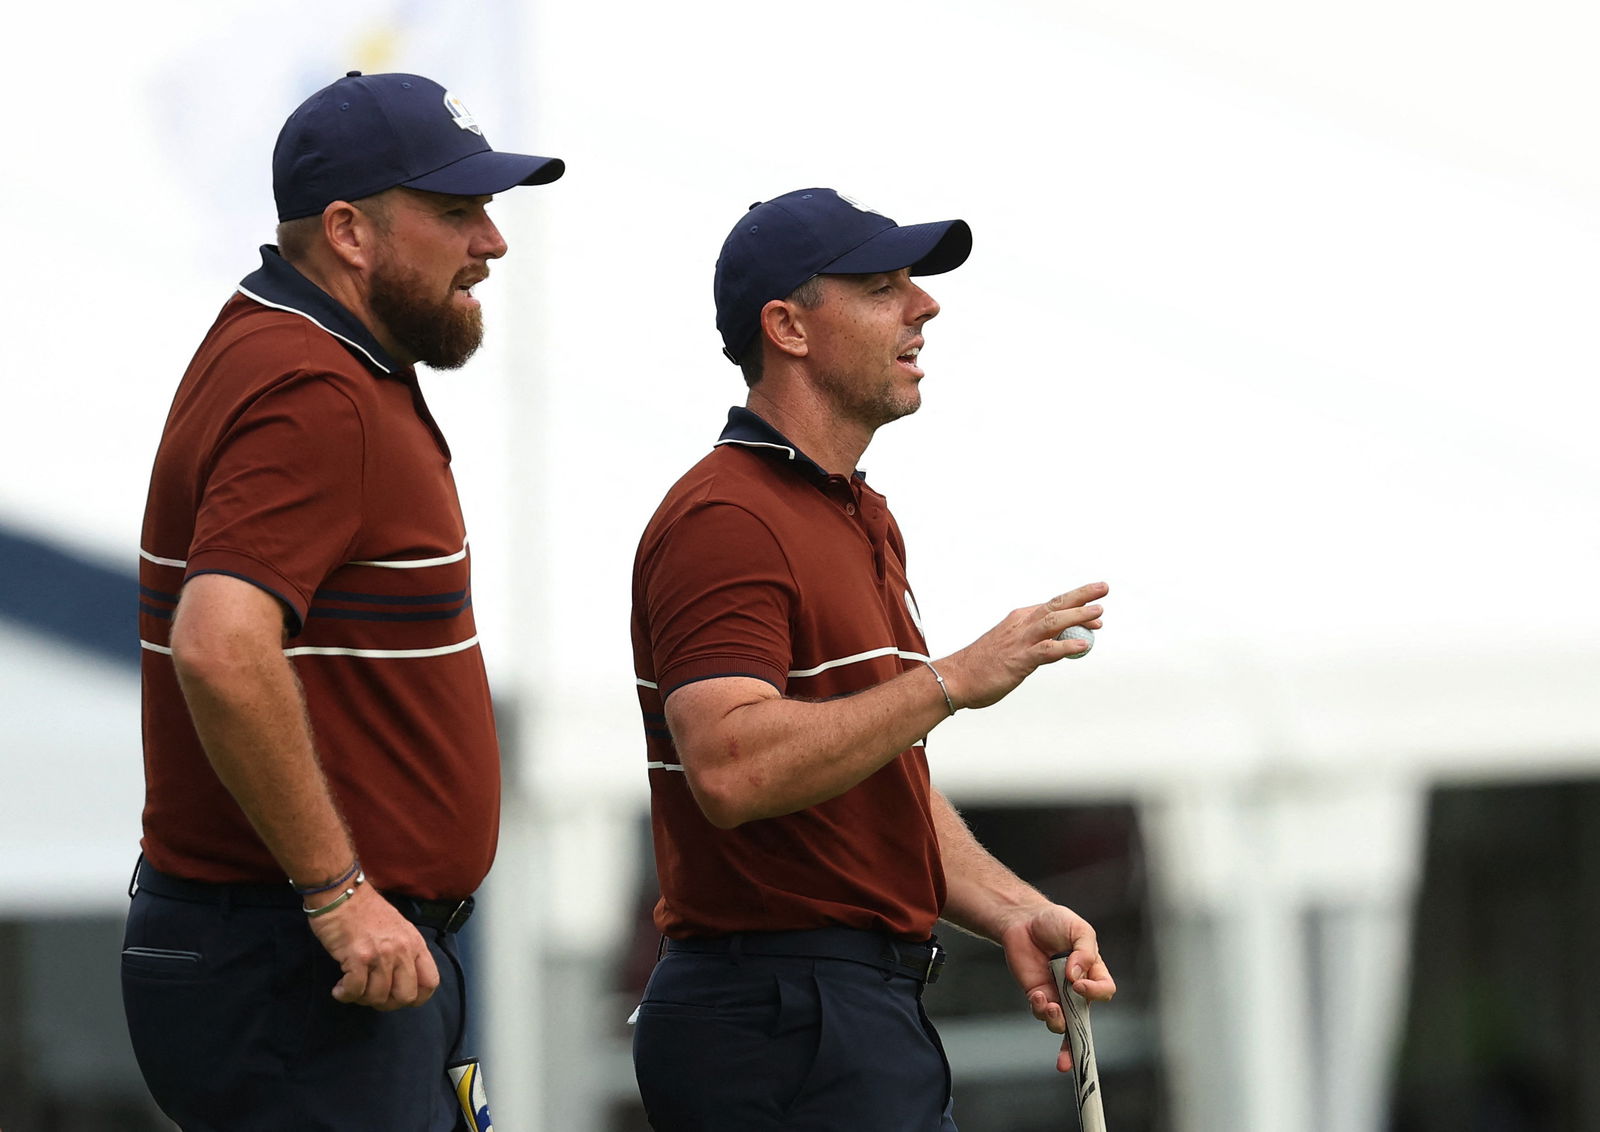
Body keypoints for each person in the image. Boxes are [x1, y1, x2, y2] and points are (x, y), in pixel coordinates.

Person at [125, 71, 562, 1131]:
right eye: (456, 211)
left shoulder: (300, 351)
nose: (492, 242)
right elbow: (220, 644)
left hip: (318, 959)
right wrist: (337, 892)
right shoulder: (313, 385)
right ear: (348, 233)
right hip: (306, 965)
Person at [628, 187, 1116, 1131]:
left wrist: (1013, 910)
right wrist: (951, 681)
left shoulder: (856, 514)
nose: (924, 306)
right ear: (788, 328)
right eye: (882, 288)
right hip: (783, 1015)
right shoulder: (727, 517)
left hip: (839, 1011)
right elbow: (730, 765)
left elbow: (869, 781)